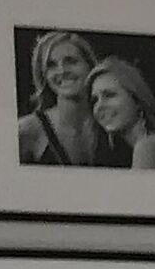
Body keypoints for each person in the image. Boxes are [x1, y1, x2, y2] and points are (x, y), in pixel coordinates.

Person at [18, 29, 105, 167]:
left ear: (90, 66)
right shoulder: (26, 131)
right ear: (44, 76)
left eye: (71, 61)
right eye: (51, 65)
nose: (62, 71)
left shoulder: (113, 122)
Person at [85, 55, 155, 170]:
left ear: (137, 100)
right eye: (94, 100)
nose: (99, 106)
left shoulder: (150, 146)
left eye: (109, 95)